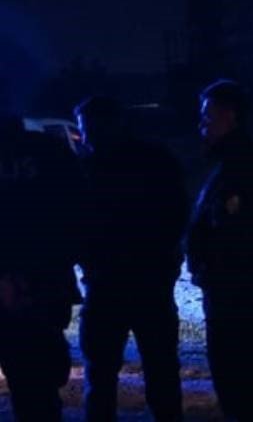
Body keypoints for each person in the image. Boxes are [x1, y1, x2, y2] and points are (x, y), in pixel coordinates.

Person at [73, 95, 189, 422]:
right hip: (148, 284)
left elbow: (74, 223)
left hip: (109, 285)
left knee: (101, 377)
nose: (85, 137)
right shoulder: (156, 159)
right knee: (161, 372)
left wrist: (89, 261)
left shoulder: (88, 169)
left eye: (86, 129)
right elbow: (178, 215)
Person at [186, 81, 253, 422]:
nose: (202, 126)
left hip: (237, 293)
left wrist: (209, 267)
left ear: (230, 116)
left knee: (240, 383)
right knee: (249, 380)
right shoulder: (234, 161)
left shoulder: (241, 166)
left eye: (207, 118)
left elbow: (237, 232)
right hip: (236, 288)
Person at [0, 113, 82, 422]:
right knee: (38, 386)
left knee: (33, 382)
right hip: (44, 283)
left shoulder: (49, 154)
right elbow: (79, 214)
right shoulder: (51, 153)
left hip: (37, 284)